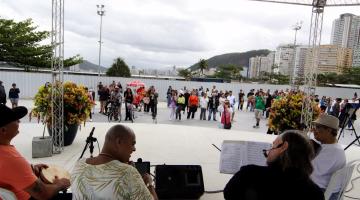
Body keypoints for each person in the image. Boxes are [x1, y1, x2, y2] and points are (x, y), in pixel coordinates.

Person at [224, 130, 324, 200]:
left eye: (273, 146)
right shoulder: (316, 193)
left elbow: (228, 194)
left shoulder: (249, 173)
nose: (268, 151)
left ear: (284, 147)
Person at [0, 104, 70, 200]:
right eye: (15, 120)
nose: (19, 121)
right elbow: (43, 194)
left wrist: (30, 170)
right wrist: (60, 184)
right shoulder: (10, 158)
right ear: (3, 130)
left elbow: (8, 173)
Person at [71, 124, 158, 200]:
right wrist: (149, 185)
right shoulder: (128, 172)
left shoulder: (79, 164)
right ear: (118, 142)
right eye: (132, 143)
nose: (134, 149)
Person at [311, 114, 346, 200]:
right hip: (328, 189)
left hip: (323, 192)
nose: (314, 130)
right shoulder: (333, 146)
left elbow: (311, 175)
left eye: (318, 127)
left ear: (329, 130)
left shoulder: (331, 151)